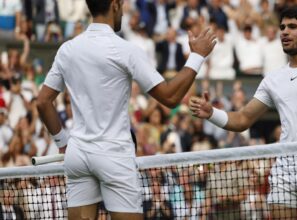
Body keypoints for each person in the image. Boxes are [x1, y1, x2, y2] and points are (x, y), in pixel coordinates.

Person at [36, 0, 216, 219]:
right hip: (114, 155)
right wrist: (197, 57)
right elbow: (170, 97)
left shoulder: (68, 49)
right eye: (121, 5)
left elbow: (43, 102)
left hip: (78, 155)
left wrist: (63, 144)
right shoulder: (126, 50)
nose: (122, 10)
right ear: (114, 5)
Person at [189, 6, 297, 220]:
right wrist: (211, 113)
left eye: (292, 27)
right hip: (285, 171)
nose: (284, 32)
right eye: (282, 27)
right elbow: (243, 119)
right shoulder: (272, 80)